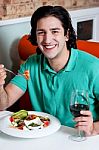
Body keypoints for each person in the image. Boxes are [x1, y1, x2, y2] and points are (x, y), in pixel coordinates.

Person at [0, 5, 99, 136]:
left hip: (82, 137)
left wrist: (94, 127)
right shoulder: (30, 64)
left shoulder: (93, 67)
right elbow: (4, 103)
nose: (47, 40)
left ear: (67, 34)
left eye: (55, 31)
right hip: (43, 136)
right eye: (41, 32)